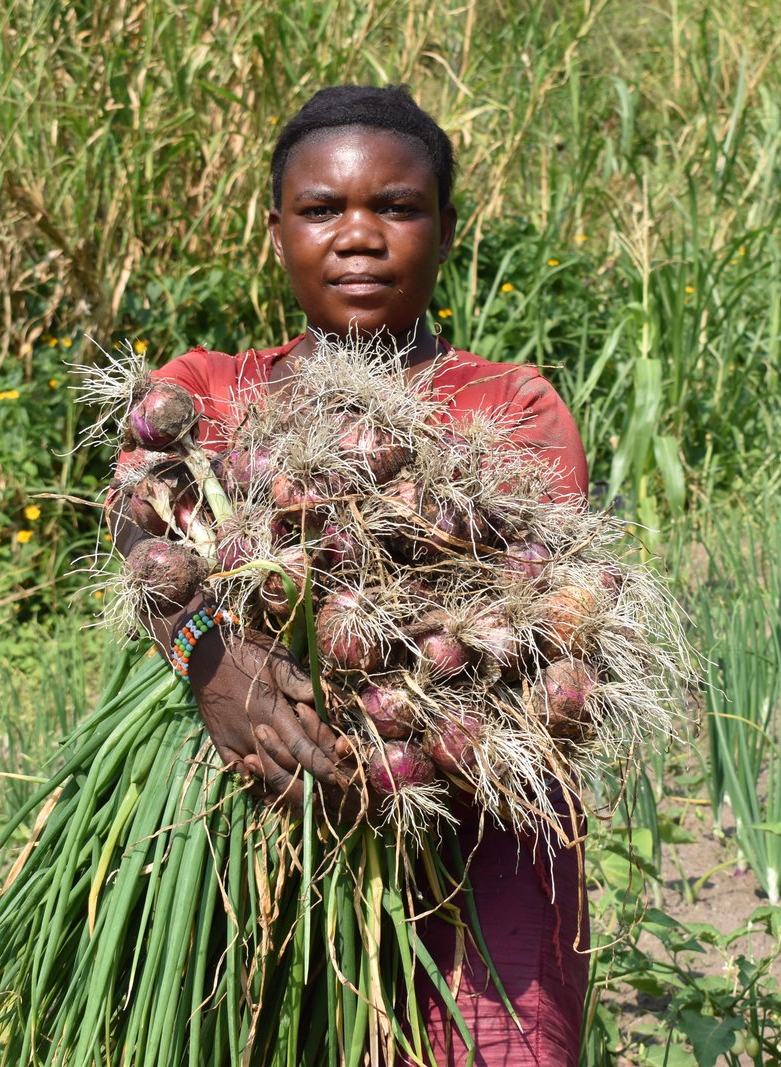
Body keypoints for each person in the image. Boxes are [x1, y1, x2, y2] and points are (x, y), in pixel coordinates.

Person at [110, 84, 589, 1067]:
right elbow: (139, 530)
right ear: (276, 230)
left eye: (398, 207)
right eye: (322, 208)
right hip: (238, 832)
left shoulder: (508, 403)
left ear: (445, 229)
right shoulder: (206, 390)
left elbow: (534, 618)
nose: (359, 235)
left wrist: (377, 739)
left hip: (476, 832)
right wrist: (212, 657)